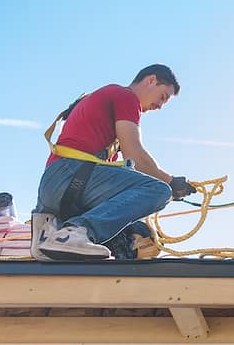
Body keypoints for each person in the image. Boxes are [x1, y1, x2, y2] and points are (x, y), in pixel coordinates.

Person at [31, 64, 195, 261]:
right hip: (71, 177)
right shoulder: (125, 97)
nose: (160, 106)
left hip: (54, 189)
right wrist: (170, 182)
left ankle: (52, 235)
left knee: (134, 231)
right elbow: (135, 155)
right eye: (163, 97)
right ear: (151, 80)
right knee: (158, 190)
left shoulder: (105, 107)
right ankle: (74, 234)